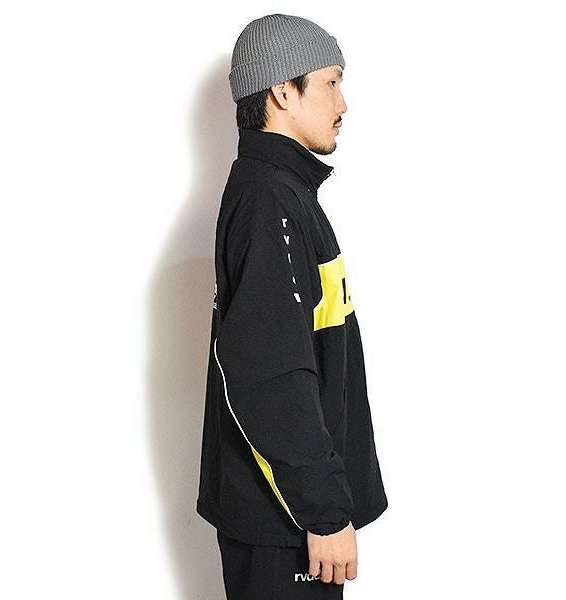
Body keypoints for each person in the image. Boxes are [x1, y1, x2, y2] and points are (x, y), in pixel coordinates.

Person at [196, 13, 388, 599]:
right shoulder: (269, 201)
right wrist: (323, 513)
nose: (343, 103)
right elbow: (270, 376)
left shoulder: (284, 193)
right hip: (285, 523)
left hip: (288, 517)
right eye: (331, 82)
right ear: (283, 91)